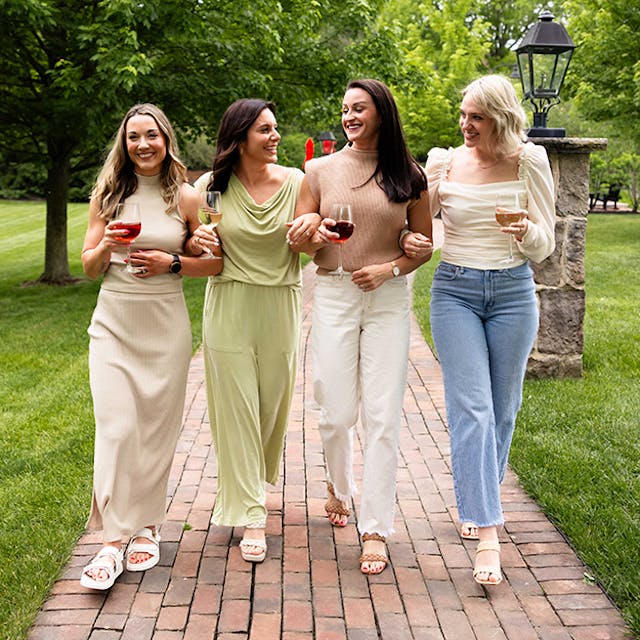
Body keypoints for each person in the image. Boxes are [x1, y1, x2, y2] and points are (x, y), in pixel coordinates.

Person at [420, 74, 555, 585]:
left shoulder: (530, 161)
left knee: (504, 407)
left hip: (513, 292)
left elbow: (545, 245)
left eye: (475, 117)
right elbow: (414, 218)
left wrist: (526, 232)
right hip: (454, 289)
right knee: (471, 407)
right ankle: (488, 534)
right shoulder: (445, 162)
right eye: (463, 115)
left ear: (499, 117)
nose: (465, 125)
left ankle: (479, 496)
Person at [80, 103, 221, 590]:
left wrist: (175, 260)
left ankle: (149, 524)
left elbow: (213, 264)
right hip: (114, 322)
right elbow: (90, 267)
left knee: (157, 430)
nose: (143, 145)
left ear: (166, 141)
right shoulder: (108, 195)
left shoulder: (185, 197)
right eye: (134, 137)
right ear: (125, 144)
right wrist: (106, 246)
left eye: (152, 136)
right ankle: (113, 541)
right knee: (118, 427)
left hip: (165, 324)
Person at [298, 79, 433, 574]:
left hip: (388, 300)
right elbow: (302, 243)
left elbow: (422, 245)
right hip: (333, 294)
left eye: (358, 108)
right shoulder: (317, 170)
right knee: (334, 412)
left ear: (381, 113)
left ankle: (374, 526)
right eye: (345, 109)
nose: (349, 116)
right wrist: (308, 232)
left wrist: (395, 265)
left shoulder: (410, 174)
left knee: (382, 416)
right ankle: (339, 484)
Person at [192, 99, 318, 563]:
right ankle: (251, 511)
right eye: (264, 129)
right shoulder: (212, 187)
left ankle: (249, 485)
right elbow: (198, 240)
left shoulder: (298, 182)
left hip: (280, 303)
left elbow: (309, 249)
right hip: (229, 303)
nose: (275, 136)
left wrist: (312, 236)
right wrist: (197, 239)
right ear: (240, 136)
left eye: (276, 128)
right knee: (236, 409)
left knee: (271, 409)